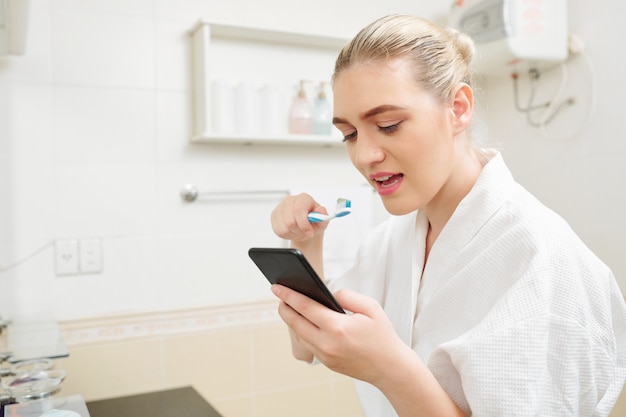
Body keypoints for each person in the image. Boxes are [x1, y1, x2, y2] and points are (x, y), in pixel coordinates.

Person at [269, 14, 626, 417]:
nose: (364, 156)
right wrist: (306, 242)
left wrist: (390, 368)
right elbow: (306, 347)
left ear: (458, 108)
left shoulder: (540, 258)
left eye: (387, 125)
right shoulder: (391, 240)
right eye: (349, 134)